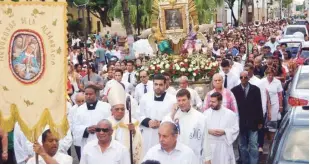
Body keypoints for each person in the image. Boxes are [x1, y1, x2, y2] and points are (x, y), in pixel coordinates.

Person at [162, 89, 209, 162]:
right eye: (179, 100)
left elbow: (205, 139)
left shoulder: (201, 117)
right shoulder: (173, 116)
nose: (181, 103)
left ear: (189, 100)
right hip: (176, 157)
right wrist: (173, 113)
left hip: (194, 156)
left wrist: (207, 158)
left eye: (184, 100)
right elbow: (164, 128)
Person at [231, 71, 264, 164]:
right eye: (241, 77)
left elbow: (259, 106)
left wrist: (260, 121)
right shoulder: (234, 90)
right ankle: (245, 162)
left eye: (245, 77)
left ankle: (254, 162)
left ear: (249, 78)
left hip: (253, 122)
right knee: (242, 146)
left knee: (253, 144)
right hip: (240, 122)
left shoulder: (255, 89)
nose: (243, 79)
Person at [139, 74, 176, 155]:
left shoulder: (172, 99)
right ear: (153, 84)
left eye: (161, 84)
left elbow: (173, 116)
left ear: (165, 85)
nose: (158, 87)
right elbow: (139, 114)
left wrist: (161, 122)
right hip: (148, 134)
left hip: (165, 134)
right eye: (156, 84)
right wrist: (148, 122)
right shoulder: (145, 97)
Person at [107, 82, 143, 163]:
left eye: (122, 109)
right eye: (117, 109)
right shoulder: (107, 123)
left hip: (126, 157)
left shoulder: (132, 122)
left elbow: (139, 139)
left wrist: (133, 131)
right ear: (111, 110)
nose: (120, 111)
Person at [203, 92, 239, 164]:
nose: (211, 103)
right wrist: (209, 131)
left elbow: (236, 129)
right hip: (210, 146)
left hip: (224, 146)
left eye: (213, 102)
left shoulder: (230, 114)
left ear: (220, 102)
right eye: (210, 101)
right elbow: (200, 128)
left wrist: (225, 132)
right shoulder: (205, 114)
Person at [72, 85, 111, 150]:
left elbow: (111, 122)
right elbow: (75, 127)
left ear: (96, 94)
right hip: (86, 142)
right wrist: (86, 129)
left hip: (103, 140)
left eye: (90, 94)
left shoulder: (106, 107)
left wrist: (100, 128)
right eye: (86, 94)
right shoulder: (79, 110)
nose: (88, 96)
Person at [260, 68, 283, 140]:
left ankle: (272, 139)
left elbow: (280, 95)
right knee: (264, 121)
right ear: (266, 75)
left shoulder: (277, 82)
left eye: (272, 75)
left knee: (272, 122)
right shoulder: (261, 82)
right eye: (269, 75)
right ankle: (265, 137)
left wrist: (281, 106)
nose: (270, 77)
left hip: (274, 104)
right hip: (264, 104)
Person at [67, 92, 85, 161]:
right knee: (80, 158)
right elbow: (70, 122)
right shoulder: (73, 109)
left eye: (83, 101)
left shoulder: (88, 108)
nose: (81, 103)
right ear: (75, 101)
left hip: (87, 135)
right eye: (78, 101)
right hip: (77, 137)